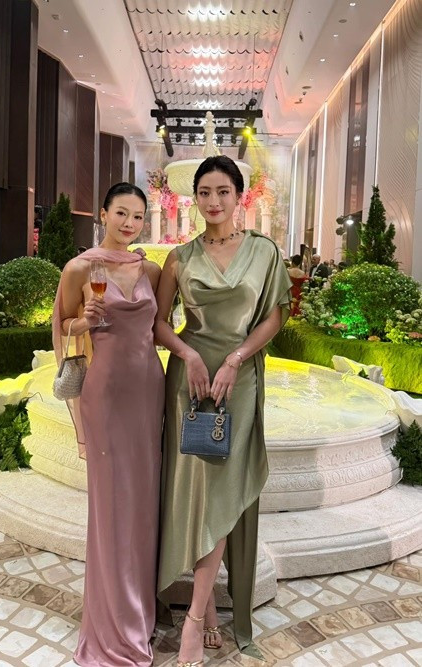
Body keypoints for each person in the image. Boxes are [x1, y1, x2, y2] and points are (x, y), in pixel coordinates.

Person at [154, 156, 291, 665]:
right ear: (195, 199)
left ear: (239, 196)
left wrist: (236, 358)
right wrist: (187, 354)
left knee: (225, 493)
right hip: (188, 384)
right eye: (205, 193)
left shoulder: (264, 251)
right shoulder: (180, 258)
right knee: (195, 493)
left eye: (223, 192)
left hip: (240, 380)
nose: (213, 202)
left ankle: (195, 618)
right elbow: (159, 324)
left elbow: (274, 317)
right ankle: (207, 609)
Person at [52, 182, 164, 667]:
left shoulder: (151, 269)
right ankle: (111, 623)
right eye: (121, 213)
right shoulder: (80, 268)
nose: (129, 224)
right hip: (105, 394)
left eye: (138, 216)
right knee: (111, 505)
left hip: (149, 392)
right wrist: (84, 321)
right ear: (103, 214)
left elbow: (161, 328)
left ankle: (139, 610)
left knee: (143, 502)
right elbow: (62, 325)